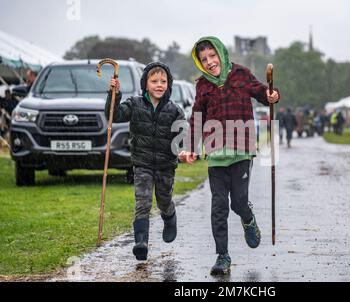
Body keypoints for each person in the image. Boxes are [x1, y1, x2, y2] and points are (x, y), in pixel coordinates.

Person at [179, 36, 280, 276]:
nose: (210, 62)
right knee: (219, 206)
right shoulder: (203, 84)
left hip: (242, 149)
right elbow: (196, 117)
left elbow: (261, 92)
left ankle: (248, 218)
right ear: (200, 63)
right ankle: (222, 255)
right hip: (216, 154)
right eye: (204, 60)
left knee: (238, 201)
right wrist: (190, 146)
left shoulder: (241, 74)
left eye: (213, 56)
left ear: (221, 54)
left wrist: (271, 95)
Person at [105, 62, 186, 261]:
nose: (159, 85)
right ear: (145, 84)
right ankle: (141, 242)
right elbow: (113, 116)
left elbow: (181, 137)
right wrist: (114, 95)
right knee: (143, 201)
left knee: (163, 200)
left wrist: (182, 150)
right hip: (142, 163)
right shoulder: (135, 104)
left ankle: (170, 218)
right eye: (154, 81)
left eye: (163, 81)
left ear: (169, 84)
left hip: (166, 165)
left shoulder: (175, 110)